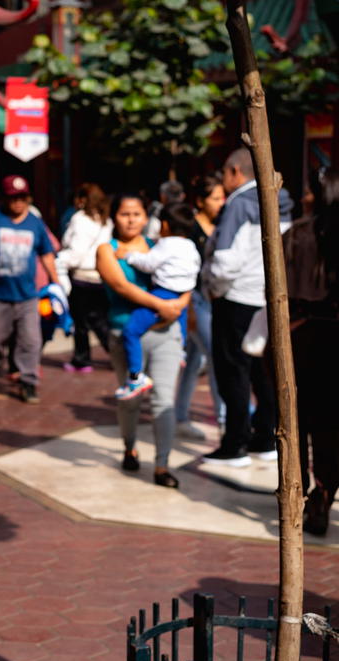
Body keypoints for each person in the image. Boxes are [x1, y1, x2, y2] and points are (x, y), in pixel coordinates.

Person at [200, 148, 293, 466]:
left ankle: (235, 442)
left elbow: (226, 262)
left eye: (225, 174)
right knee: (262, 371)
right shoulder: (281, 199)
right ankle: (265, 436)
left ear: (235, 172)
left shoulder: (238, 204)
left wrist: (213, 287)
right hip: (267, 299)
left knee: (233, 371)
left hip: (237, 298)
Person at [97, 194, 189, 488]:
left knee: (164, 400)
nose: (132, 219)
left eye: (137, 213)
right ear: (114, 217)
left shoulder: (162, 245)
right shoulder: (106, 250)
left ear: (146, 217)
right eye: (125, 213)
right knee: (131, 400)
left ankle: (162, 466)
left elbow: (186, 276)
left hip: (166, 334)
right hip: (124, 334)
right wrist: (161, 305)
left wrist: (181, 302)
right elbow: (120, 285)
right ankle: (129, 447)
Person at [0, 175, 59, 403]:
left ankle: (28, 382)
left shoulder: (35, 223)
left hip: (28, 296)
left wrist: (56, 283)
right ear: (5, 199)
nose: (17, 202)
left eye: (21, 197)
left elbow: (46, 254)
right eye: (12, 198)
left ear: (28, 198)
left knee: (31, 341)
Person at [284, 168, 339, 534]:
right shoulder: (299, 234)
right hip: (327, 342)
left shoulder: (296, 235)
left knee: (296, 424)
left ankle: (302, 494)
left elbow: (278, 295)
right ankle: (323, 492)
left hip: (301, 339)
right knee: (331, 427)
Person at [114, 202, 200, 400]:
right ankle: (180, 354)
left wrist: (128, 256)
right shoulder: (191, 246)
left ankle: (136, 377)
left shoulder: (166, 244)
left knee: (131, 331)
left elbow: (148, 263)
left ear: (165, 226)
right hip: (183, 294)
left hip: (163, 294)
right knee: (181, 328)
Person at [174, 175, 227, 439]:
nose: (221, 203)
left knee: (194, 360)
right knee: (217, 358)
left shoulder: (221, 224)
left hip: (213, 299)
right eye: (215, 198)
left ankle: (180, 417)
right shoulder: (190, 229)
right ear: (200, 201)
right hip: (194, 300)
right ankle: (225, 418)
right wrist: (190, 311)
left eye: (222, 197)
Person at [56, 183, 112, 372]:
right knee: (100, 320)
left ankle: (82, 359)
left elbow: (76, 251)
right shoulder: (106, 220)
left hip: (81, 276)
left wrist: (60, 260)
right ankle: (116, 352)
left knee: (81, 322)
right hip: (101, 276)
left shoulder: (80, 219)